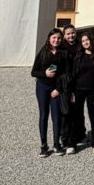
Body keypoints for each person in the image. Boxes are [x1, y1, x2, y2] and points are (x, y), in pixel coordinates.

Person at [30, 28, 69, 157]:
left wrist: (58, 89)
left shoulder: (63, 53)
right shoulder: (43, 51)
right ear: (49, 38)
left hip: (55, 89)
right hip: (42, 86)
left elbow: (65, 73)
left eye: (58, 38)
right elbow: (33, 72)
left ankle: (57, 144)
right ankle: (43, 145)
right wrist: (45, 73)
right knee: (43, 115)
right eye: (54, 38)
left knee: (56, 117)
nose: (56, 40)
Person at [71, 32, 94, 152]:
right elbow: (73, 74)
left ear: (91, 40)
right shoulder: (78, 55)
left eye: (87, 40)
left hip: (93, 90)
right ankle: (72, 143)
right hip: (78, 89)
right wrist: (72, 91)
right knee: (76, 116)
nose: (86, 42)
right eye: (83, 41)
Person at [60, 24, 83, 152]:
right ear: (64, 35)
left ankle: (80, 134)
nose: (71, 36)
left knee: (78, 110)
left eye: (73, 33)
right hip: (65, 83)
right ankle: (64, 137)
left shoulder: (80, 45)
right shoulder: (61, 46)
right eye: (68, 34)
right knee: (65, 111)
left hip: (78, 82)